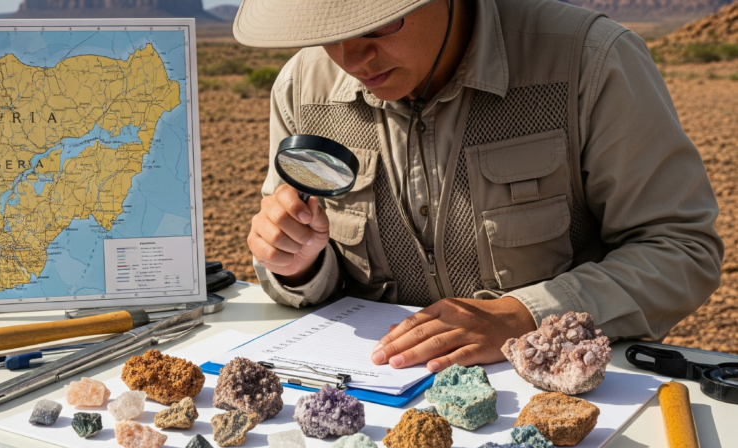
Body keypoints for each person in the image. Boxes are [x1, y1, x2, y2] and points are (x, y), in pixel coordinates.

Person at [240, 0, 724, 373]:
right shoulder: (302, 88)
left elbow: (680, 249)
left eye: (377, 23)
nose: (351, 57)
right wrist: (298, 265)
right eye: (329, 32)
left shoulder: (589, 60)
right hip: (380, 402)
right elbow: (307, 272)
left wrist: (525, 316)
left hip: (567, 398)